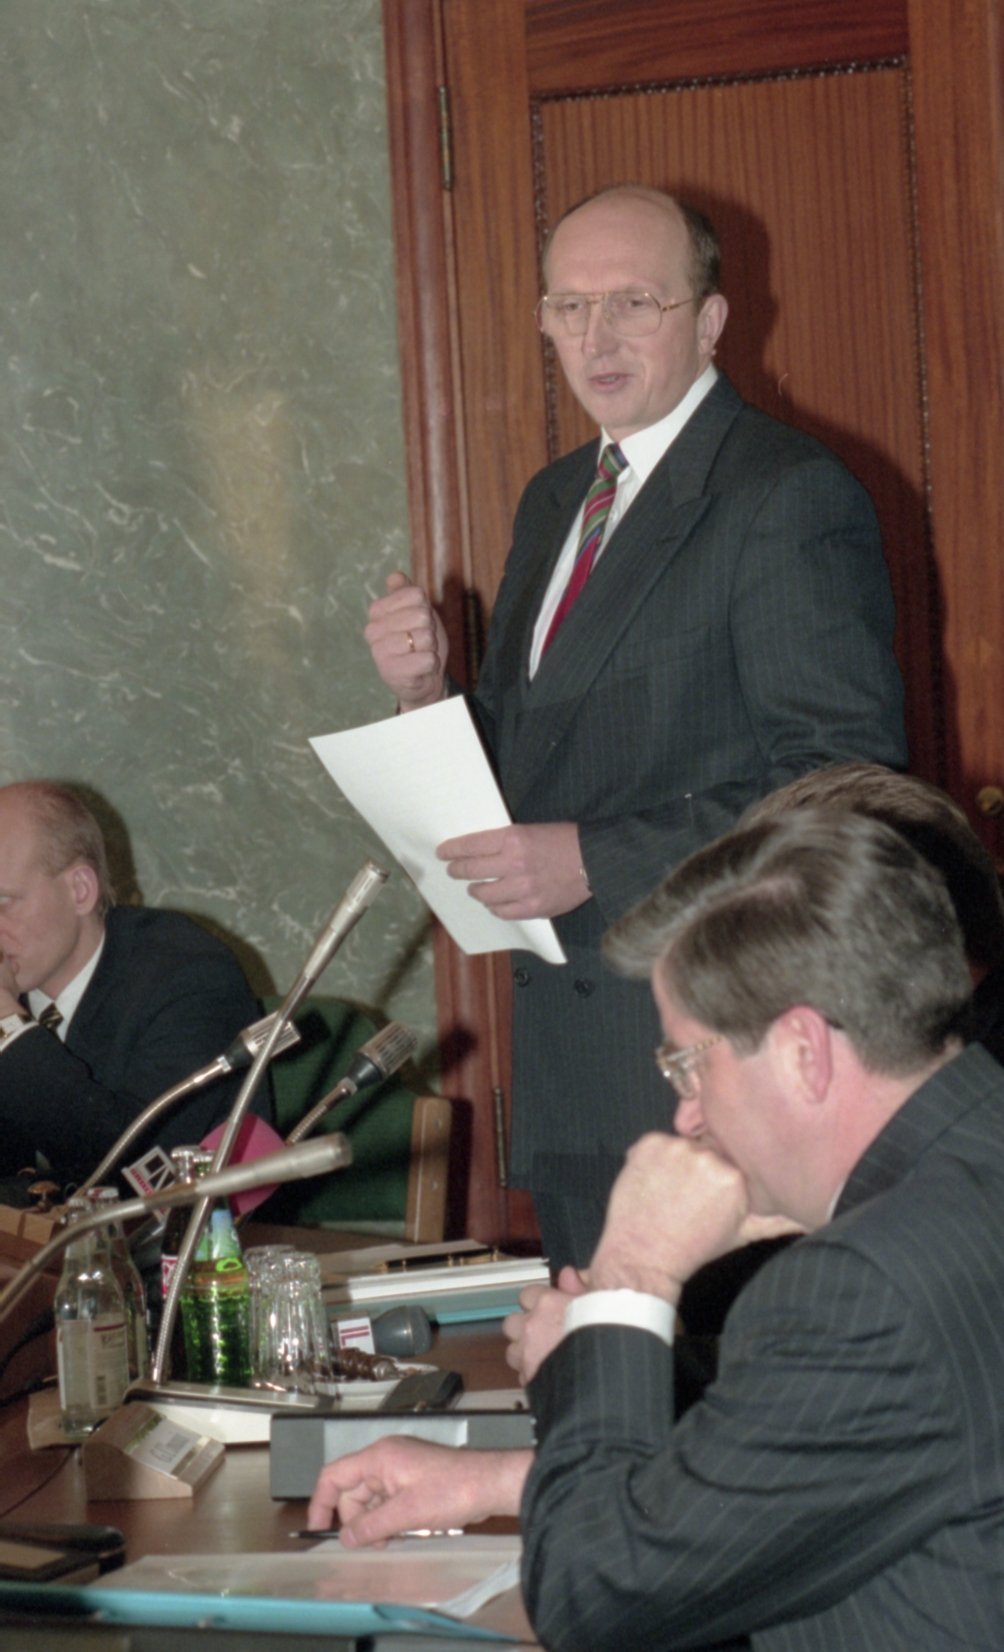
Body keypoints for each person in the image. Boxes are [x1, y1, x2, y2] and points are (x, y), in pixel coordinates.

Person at [363, 184, 907, 1267]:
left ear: (709, 320)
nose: (595, 337)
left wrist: (592, 861)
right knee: (596, 1371)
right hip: (573, 1069)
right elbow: (533, 758)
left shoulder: (784, 492)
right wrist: (427, 696)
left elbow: (842, 783)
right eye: (569, 308)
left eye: (633, 304)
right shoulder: (554, 498)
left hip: (722, 1075)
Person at [308, 811, 1004, 1650]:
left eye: (687, 1064)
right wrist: (506, 1479)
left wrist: (628, 1280)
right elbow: (832, 1467)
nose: (686, 1115)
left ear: (802, 1052)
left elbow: (593, 1604)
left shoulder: (862, 1288)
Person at [0, 781, 273, 1188]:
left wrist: (7, 1024)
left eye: (3, 902)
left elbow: (137, 1169)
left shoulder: (191, 975)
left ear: (80, 891)